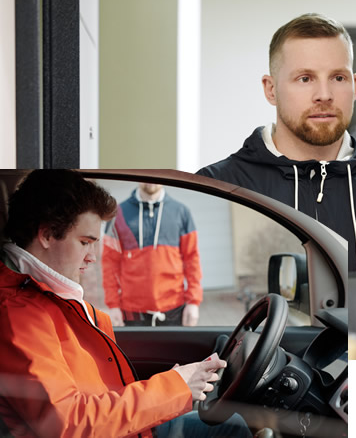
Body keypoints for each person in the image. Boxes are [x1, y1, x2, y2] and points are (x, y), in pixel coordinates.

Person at [0, 170, 251, 437]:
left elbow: (96, 395)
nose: (91, 258)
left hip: (119, 426)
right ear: (48, 235)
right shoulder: (19, 315)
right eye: (85, 242)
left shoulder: (49, 297)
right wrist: (173, 388)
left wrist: (170, 387)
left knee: (230, 424)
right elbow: (70, 423)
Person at [198, 13, 356, 276]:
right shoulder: (213, 189)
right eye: (305, 78)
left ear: (355, 86)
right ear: (271, 90)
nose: (324, 95)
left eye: (338, 78)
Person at [102, 183, 203, 327]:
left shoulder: (181, 212)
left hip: (174, 308)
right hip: (132, 312)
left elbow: (192, 259)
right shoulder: (118, 214)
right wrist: (113, 306)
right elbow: (109, 263)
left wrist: (193, 302)